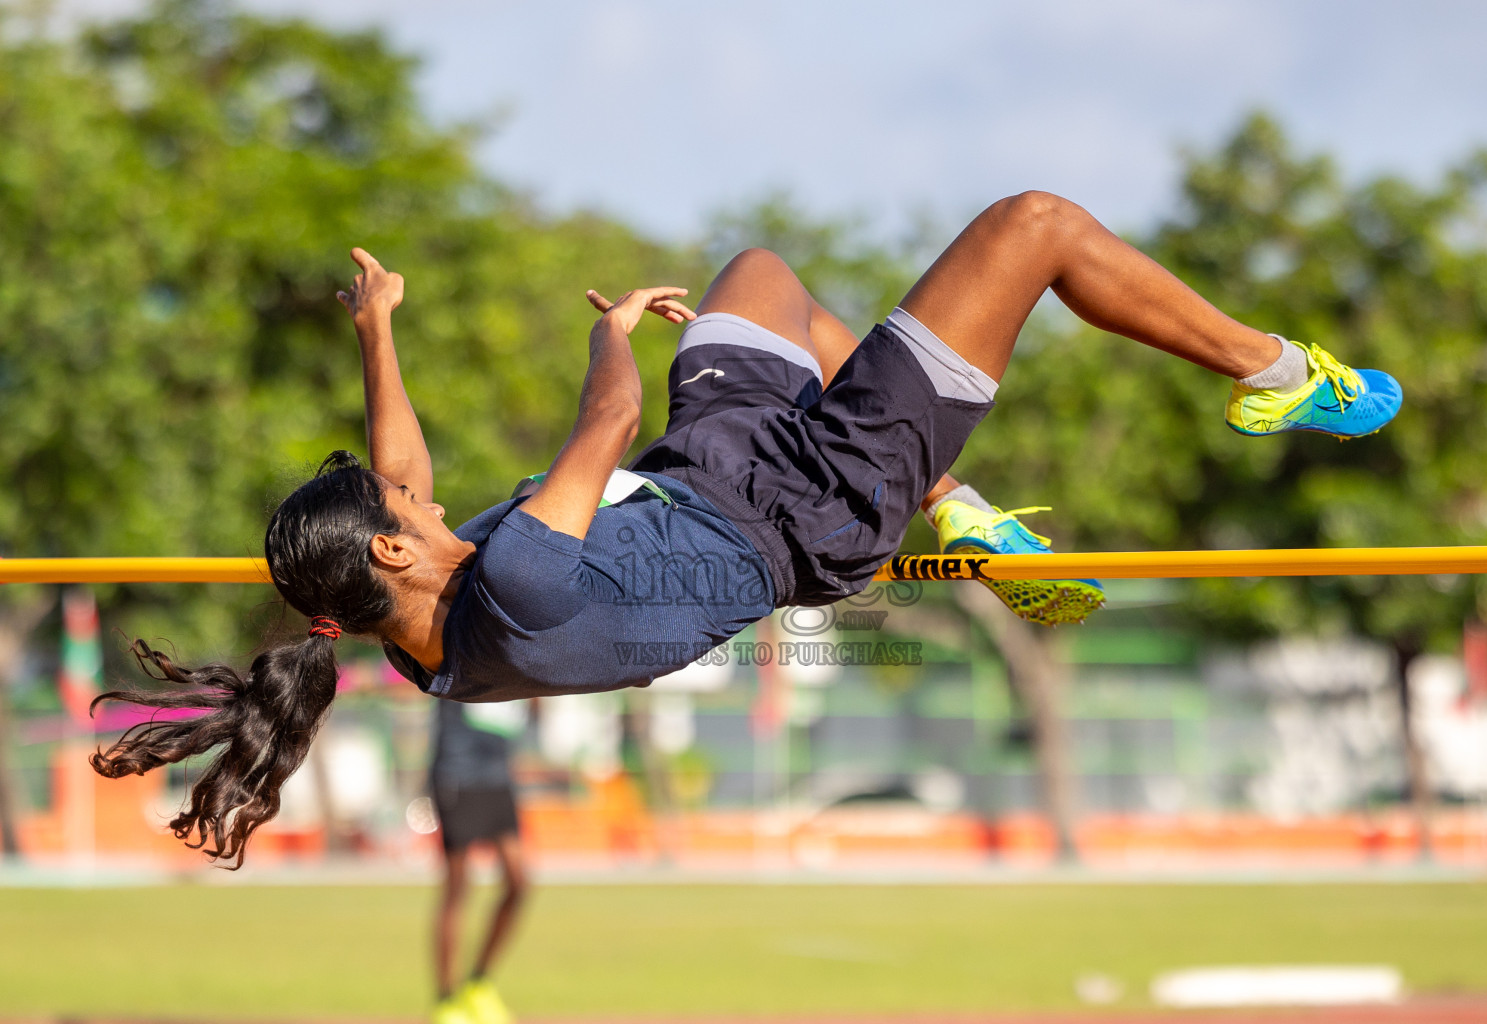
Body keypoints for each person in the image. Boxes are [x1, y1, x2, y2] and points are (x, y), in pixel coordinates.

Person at [91, 191, 1402, 866]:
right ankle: (1277, 372)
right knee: (1035, 227)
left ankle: (966, 515)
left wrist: (379, 332)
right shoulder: (525, 588)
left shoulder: (414, 635)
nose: (423, 497)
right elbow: (603, 423)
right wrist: (607, 339)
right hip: (815, 502)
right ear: (391, 553)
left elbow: (400, 469)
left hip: (711, 469)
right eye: (409, 514)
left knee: (763, 278)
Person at [427, 700, 527, 1024]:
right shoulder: (463, 647)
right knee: (458, 888)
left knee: (518, 882)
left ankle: (478, 983)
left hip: (497, 774)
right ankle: (447, 1000)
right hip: (457, 772)